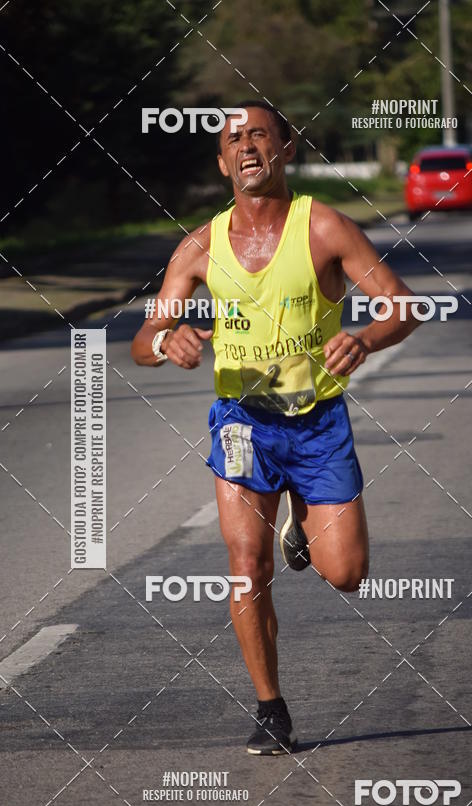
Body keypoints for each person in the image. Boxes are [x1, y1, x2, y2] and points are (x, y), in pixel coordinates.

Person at [131, 100, 420, 755]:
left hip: (318, 424)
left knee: (345, 573)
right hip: (242, 423)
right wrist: (166, 340)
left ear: (287, 149)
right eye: (235, 139)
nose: (248, 147)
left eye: (261, 134)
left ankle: (303, 519)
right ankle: (270, 708)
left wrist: (368, 339)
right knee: (244, 566)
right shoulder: (199, 246)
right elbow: (146, 333)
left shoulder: (324, 228)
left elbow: (404, 307)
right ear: (221, 160)